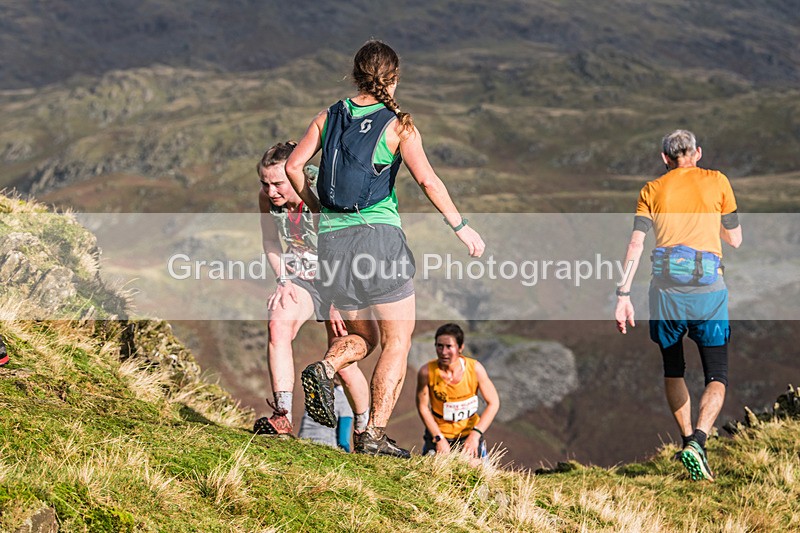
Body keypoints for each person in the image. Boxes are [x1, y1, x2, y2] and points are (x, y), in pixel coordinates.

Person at [285, 40, 485, 458]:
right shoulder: (399, 125)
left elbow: (291, 167)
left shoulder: (328, 116)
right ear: (393, 79)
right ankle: (373, 434)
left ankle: (325, 367)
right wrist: (462, 227)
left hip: (333, 244)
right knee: (397, 340)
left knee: (362, 337)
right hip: (379, 240)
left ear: (356, 73)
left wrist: (319, 207)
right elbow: (429, 182)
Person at [615, 130, 742, 482]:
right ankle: (699, 441)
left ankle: (686, 438)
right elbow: (735, 239)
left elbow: (636, 245)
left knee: (674, 369)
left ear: (664, 159)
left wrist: (623, 296)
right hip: (708, 290)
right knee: (717, 373)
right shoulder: (718, 181)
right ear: (697, 153)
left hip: (665, 291)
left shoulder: (651, 190)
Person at [252, 141, 370, 437]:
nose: (271, 192)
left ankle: (366, 431)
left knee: (341, 361)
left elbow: (345, 248)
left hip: (342, 280)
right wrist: (283, 281)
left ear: (297, 173)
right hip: (302, 280)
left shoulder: (324, 193)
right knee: (277, 325)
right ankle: (282, 416)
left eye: (278, 184)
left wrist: (335, 300)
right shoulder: (267, 200)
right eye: (265, 184)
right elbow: (270, 241)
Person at [416, 323, 499, 461]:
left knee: (477, 473)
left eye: (449, 346)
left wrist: (475, 435)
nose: (443, 352)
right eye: (439, 346)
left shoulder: (475, 369)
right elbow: (423, 407)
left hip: (469, 434)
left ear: (460, 347)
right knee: (435, 474)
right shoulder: (426, 372)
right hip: (439, 434)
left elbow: (494, 402)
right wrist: (438, 439)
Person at [298, 380, 354, 452]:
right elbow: (343, 441)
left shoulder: (315, 394)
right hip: (326, 448)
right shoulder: (345, 400)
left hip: (303, 445)